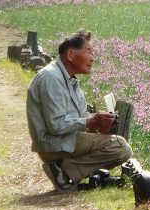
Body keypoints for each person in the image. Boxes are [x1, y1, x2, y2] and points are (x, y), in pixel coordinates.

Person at [27, 30, 132, 192]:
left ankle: (64, 170)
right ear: (70, 54)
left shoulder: (70, 81)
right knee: (120, 146)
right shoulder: (51, 78)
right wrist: (91, 121)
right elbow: (55, 125)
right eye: (88, 52)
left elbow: (79, 120)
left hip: (65, 140)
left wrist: (98, 125)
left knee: (115, 142)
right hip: (52, 144)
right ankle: (65, 172)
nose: (92, 58)